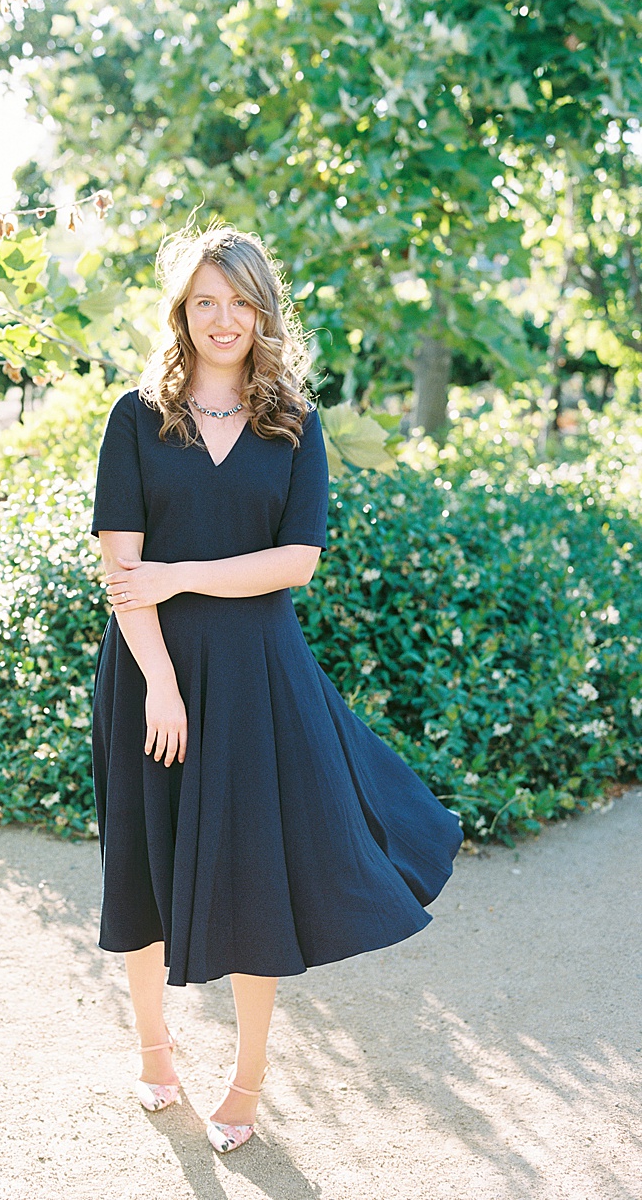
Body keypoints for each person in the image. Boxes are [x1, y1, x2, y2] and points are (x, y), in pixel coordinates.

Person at [87, 223, 464, 1154]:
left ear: (264, 310)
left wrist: (184, 577)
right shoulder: (136, 417)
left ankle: (247, 1083)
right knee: (142, 866)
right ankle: (154, 1053)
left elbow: (296, 562)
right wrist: (161, 683)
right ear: (182, 310)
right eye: (204, 301)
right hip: (149, 674)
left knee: (256, 879)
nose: (223, 319)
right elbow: (122, 572)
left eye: (239, 301)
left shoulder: (292, 420)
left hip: (259, 675)